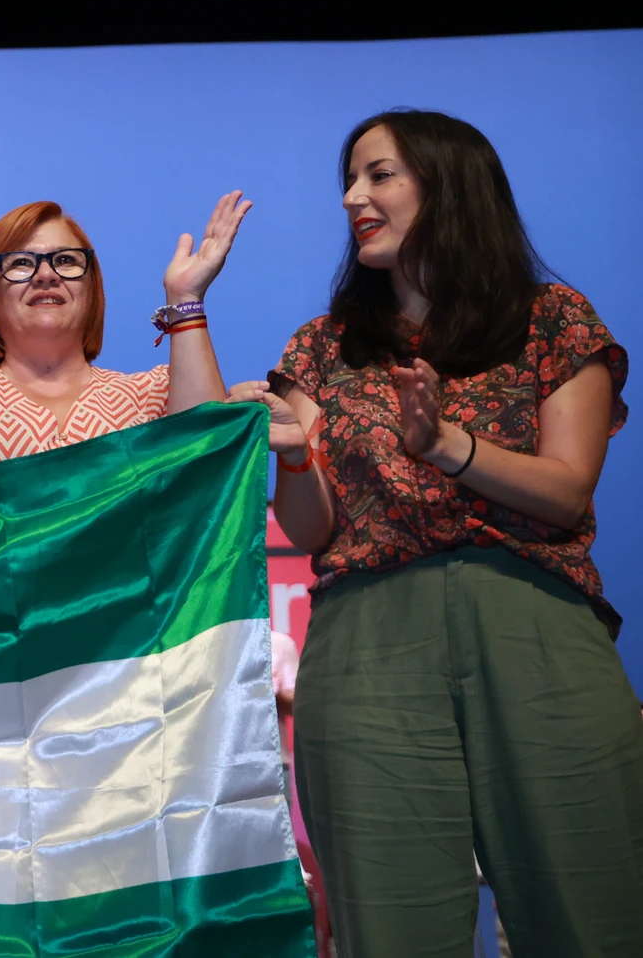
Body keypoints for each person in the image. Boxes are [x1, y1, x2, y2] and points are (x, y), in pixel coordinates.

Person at [239, 109, 641, 954]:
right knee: (391, 924)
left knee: (588, 909)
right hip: (368, 637)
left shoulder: (554, 319)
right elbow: (313, 532)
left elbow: (566, 492)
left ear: (449, 183)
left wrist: (444, 446)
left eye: (379, 175)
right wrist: (292, 458)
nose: (354, 197)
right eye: (349, 180)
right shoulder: (322, 347)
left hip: (532, 621)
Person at [0, 182, 249, 478]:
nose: (47, 275)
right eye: (20, 263)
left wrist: (185, 298)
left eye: (66, 260)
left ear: (92, 288)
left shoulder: (154, 395)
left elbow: (207, 476)